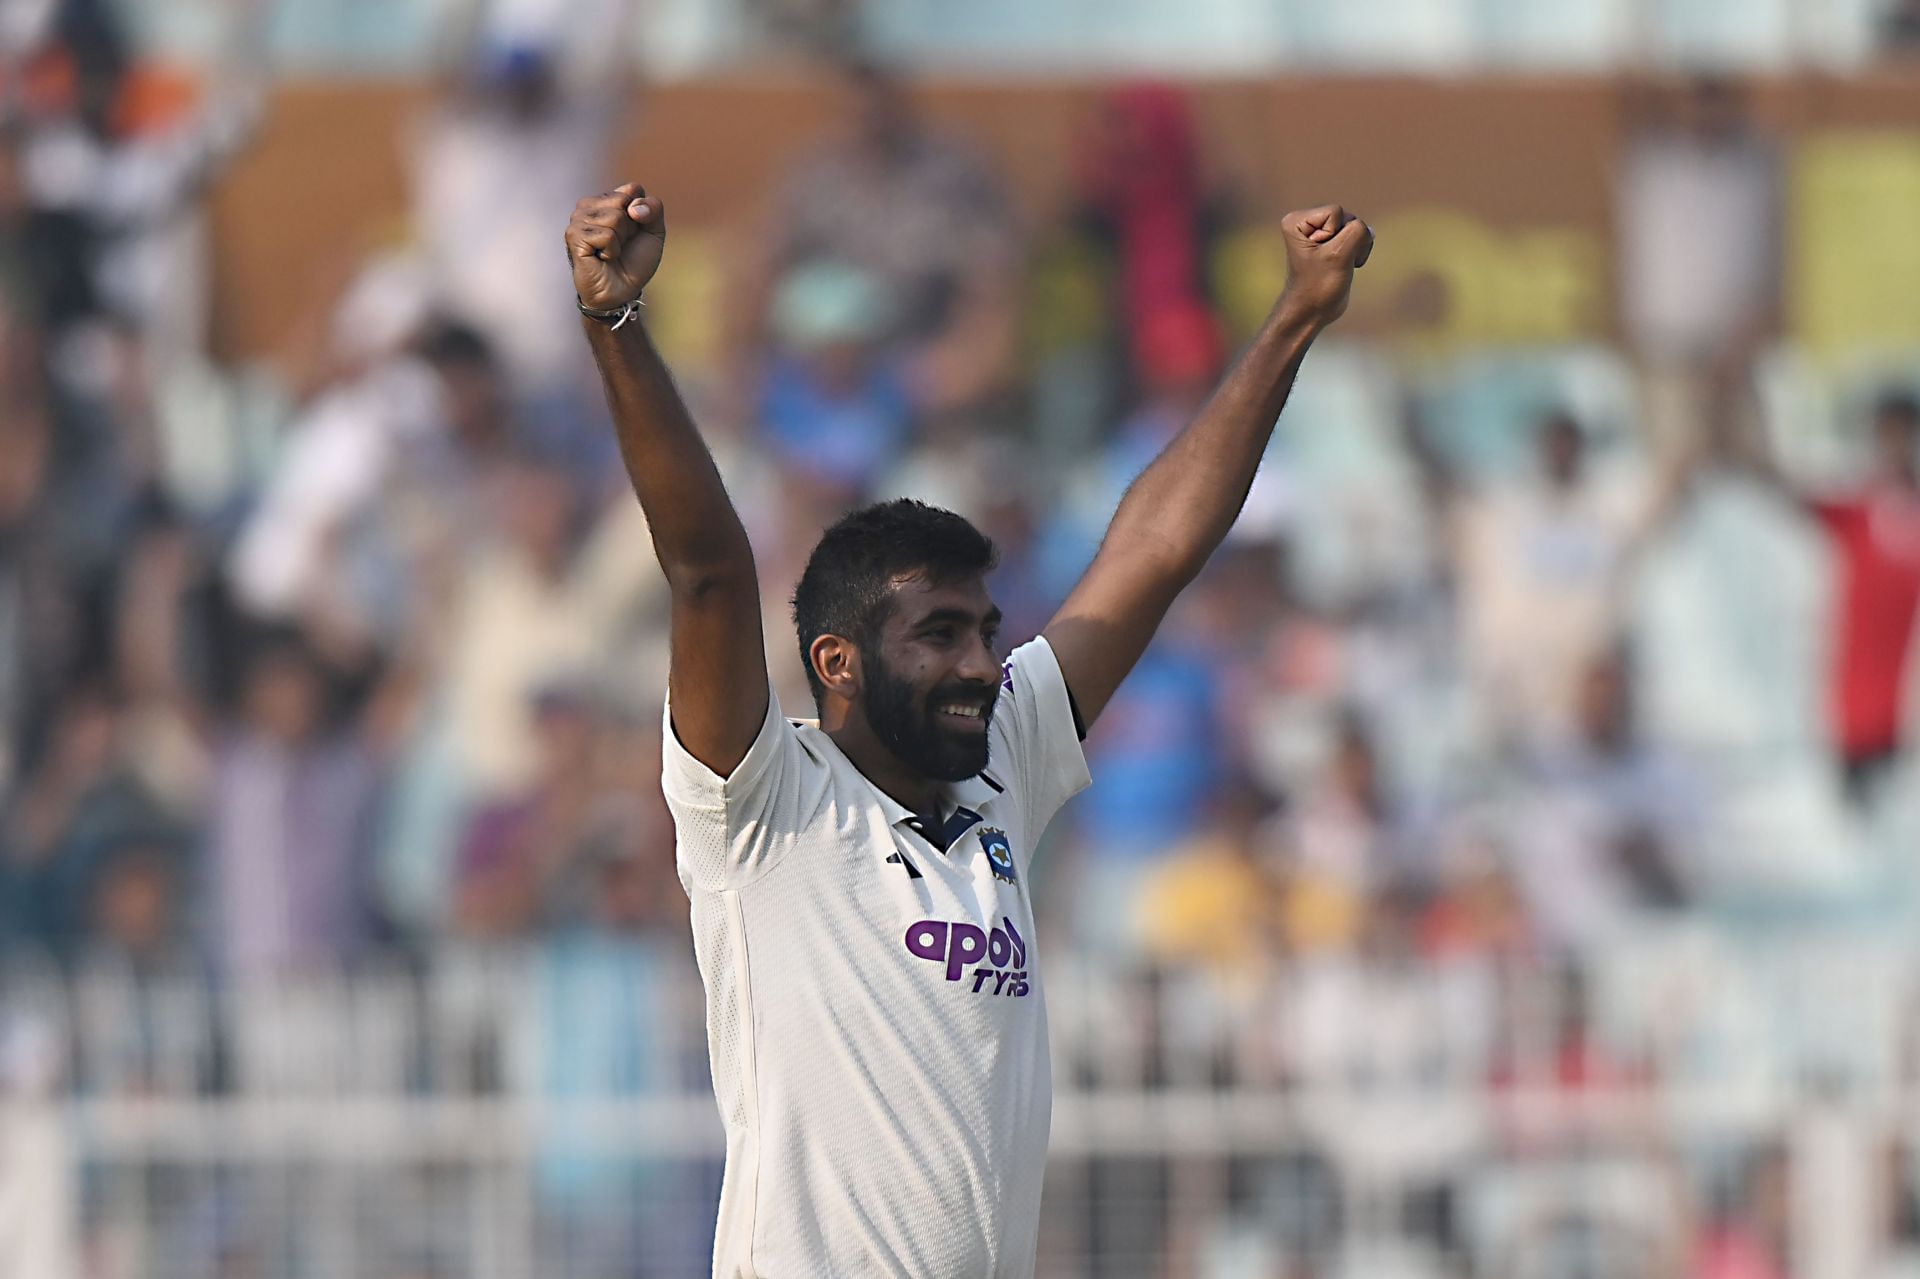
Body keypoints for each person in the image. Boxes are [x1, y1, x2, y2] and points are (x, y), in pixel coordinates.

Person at [564, 177, 1370, 1275]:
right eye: (938, 635)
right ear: (835, 662)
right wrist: (617, 324)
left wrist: (1292, 322)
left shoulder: (1003, 764)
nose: (984, 664)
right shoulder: (764, 802)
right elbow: (707, 569)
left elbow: (1153, 553)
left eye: (987, 631)